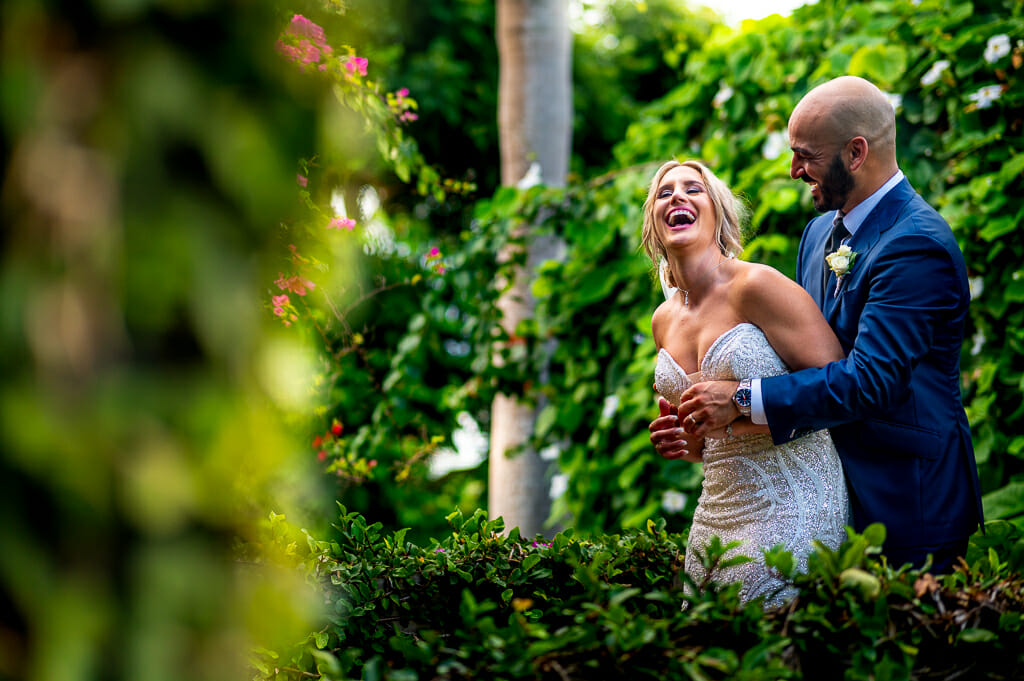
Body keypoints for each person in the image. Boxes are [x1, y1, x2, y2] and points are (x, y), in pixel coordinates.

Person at [654, 76, 984, 574]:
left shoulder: (917, 244)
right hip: (819, 498)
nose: (793, 170)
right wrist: (706, 430)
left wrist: (741, 399)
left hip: (907, 500)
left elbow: (872, 382)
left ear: (855, 154)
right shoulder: (817, 235)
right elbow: (799, 363)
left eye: (806, 156)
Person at [644, 159, 851, 607]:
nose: (677, 196)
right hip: (716, 507)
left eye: (692, 189)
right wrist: (683, 436)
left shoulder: (756, 285)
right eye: (665, 193)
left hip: (793, 494)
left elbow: (838, 388)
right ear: (654, 227)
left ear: (718, 213)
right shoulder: (663, 320)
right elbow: (704, 444)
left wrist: (738, 405)